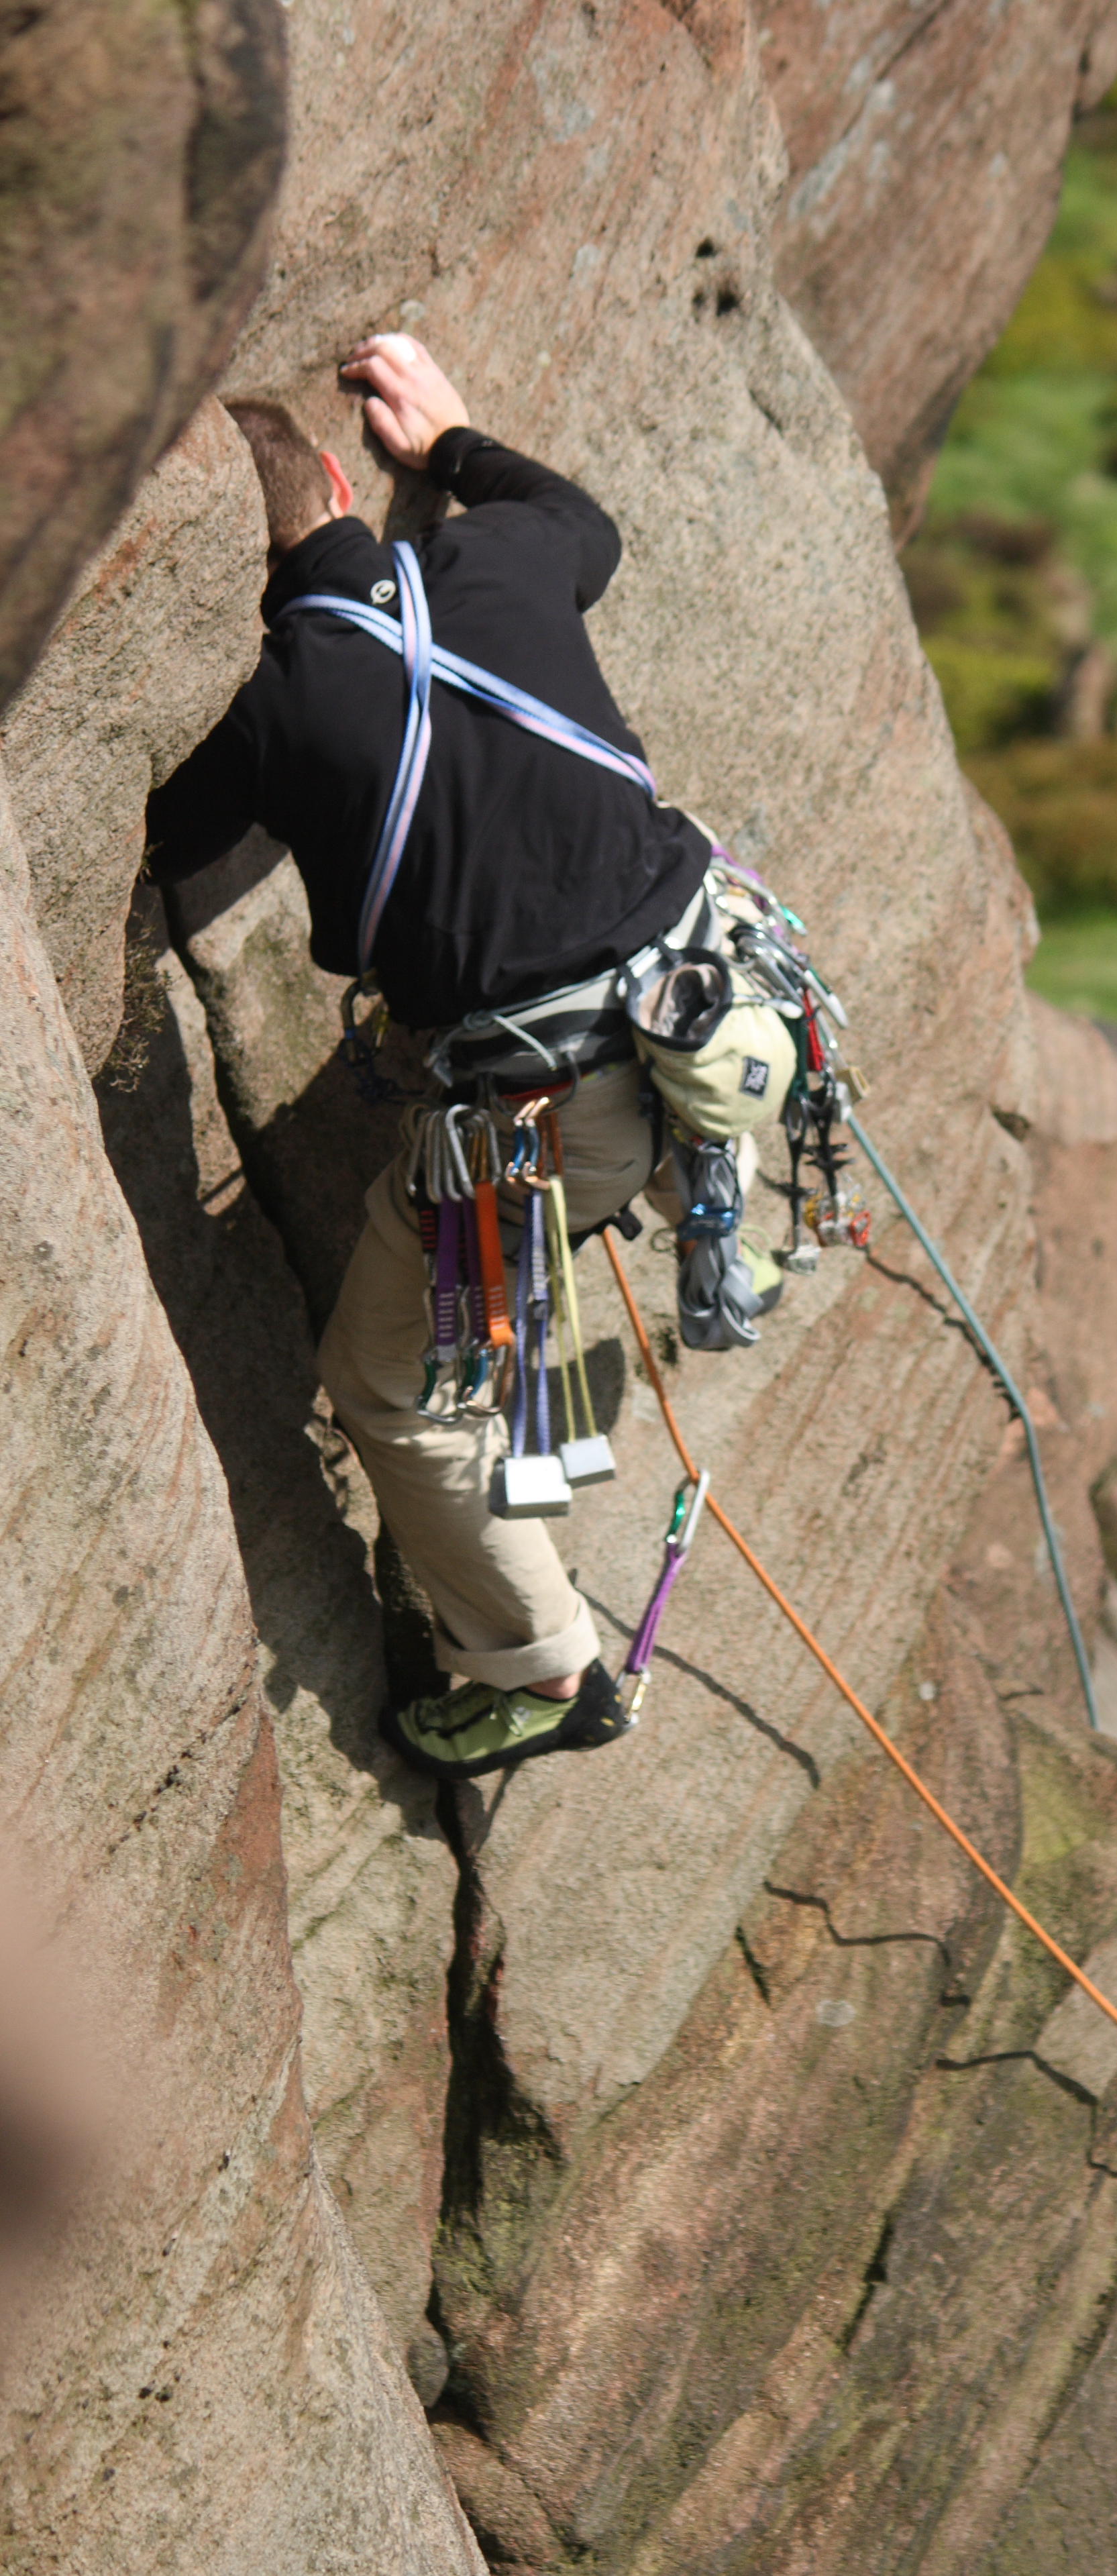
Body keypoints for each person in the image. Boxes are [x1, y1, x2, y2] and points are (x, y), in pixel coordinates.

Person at [145, 335, 776, 1780]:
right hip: (708, 1008)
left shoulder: (275, 709)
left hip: (547, 1114)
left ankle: (545, 1673)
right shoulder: (500, 564)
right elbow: (587, 531)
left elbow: (174, 837)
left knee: (388, 1394)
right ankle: (698, 1205)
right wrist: (455, 448)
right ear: (329, 474)